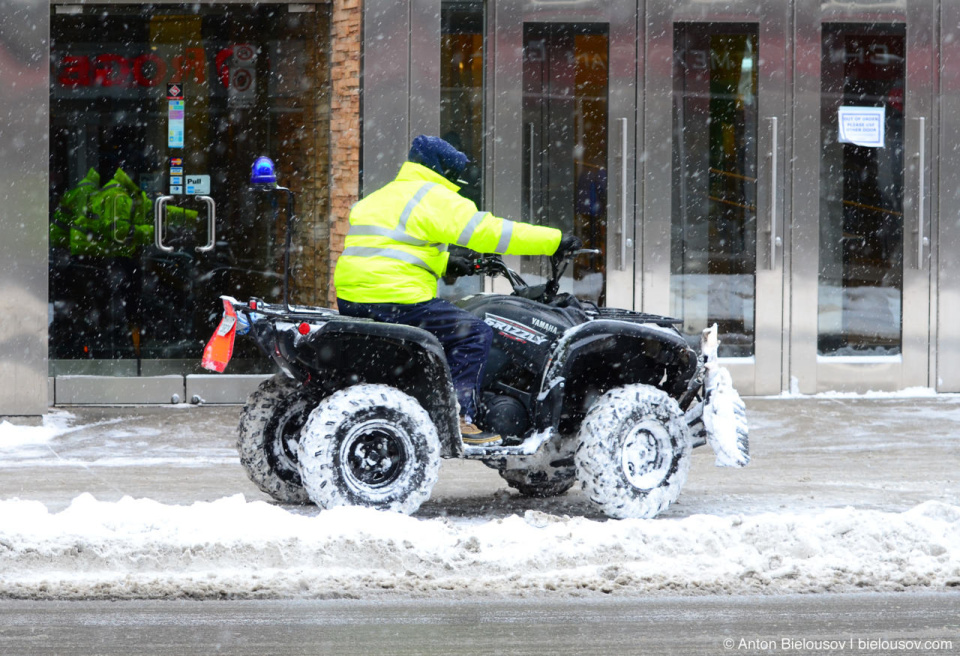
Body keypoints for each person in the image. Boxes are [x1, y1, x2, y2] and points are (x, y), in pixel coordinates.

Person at [334, 135, 582, 445]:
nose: (460, 179)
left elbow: (391, 246)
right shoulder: (434, 197)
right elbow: (489, 233)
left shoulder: (380, 197)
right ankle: (459, 416)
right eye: (456, 172)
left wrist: (446, 261)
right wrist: (554, 241)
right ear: (444, 171)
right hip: (396, 297)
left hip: (353, 298)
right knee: (474, 333)